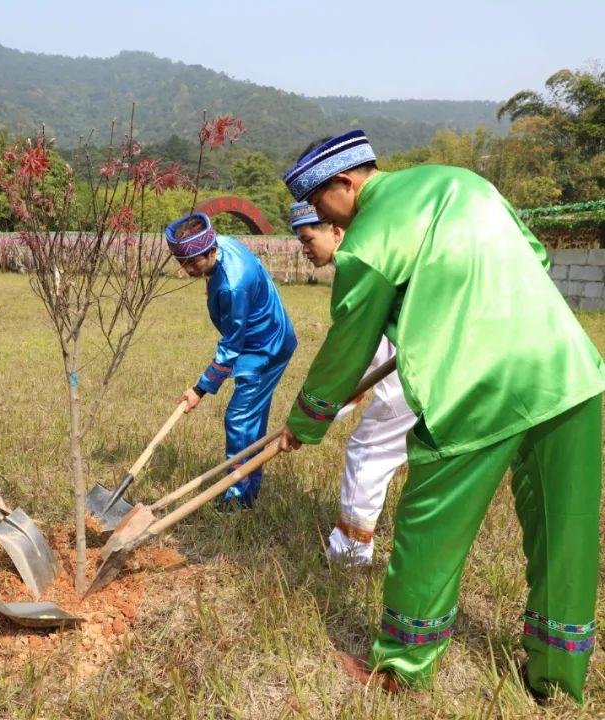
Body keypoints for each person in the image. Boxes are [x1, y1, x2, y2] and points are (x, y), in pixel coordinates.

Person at [279, 130, 604, 701]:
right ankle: (556, 675)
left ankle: (401, 669)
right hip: (567, 368)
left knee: (429, 523)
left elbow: (350, 341)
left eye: (319, 204)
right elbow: (537, 254)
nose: (322, 218)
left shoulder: (370, 236)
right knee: (564, 525)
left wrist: (306, 423)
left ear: (344, 185)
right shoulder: (463, 181)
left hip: (481, 384)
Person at [291, 201, 417, 566]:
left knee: (367, 450)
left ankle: (350, 553)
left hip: (414, 377)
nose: (304, 248)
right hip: (421, 366)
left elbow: (351, 355)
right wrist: (321, 416)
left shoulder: (361, 263)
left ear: (337, 230)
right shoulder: (374, 254)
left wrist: (308, 420)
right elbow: (364, 364)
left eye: (308, 238)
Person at [166, 212, 297, 509]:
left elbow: (231, 346)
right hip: (261, 333)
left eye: (192, 262)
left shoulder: (232, 285)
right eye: (182, 263)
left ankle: (238, 499)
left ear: (211, 250)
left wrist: (200, 389)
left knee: (239, 418)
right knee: (250, 418)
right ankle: (247, 486)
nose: (187, 269)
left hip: (265, 346)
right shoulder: (220, 243)